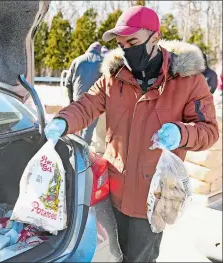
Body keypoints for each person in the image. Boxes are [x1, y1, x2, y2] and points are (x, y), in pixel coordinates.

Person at [45, 6, 219, 262]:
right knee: (110, 254)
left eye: (133, 42)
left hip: (153, 197)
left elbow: (209, 131)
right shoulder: (114, 77)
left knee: (140, 258)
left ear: (155, 38)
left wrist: (181, 133)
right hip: (112, 190)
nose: (126, 50)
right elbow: (86, 105)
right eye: (121, 44)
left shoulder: (188, 81)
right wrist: (62, 121)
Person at [65, 41, 103, 145]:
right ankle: (84, 153)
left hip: (78, 98)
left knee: (77, 124)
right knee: (88, 129)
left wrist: (71, 99)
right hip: (94, 100)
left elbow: (67, 82)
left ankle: (74, 150)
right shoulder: (102, 61)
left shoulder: (77, 60)